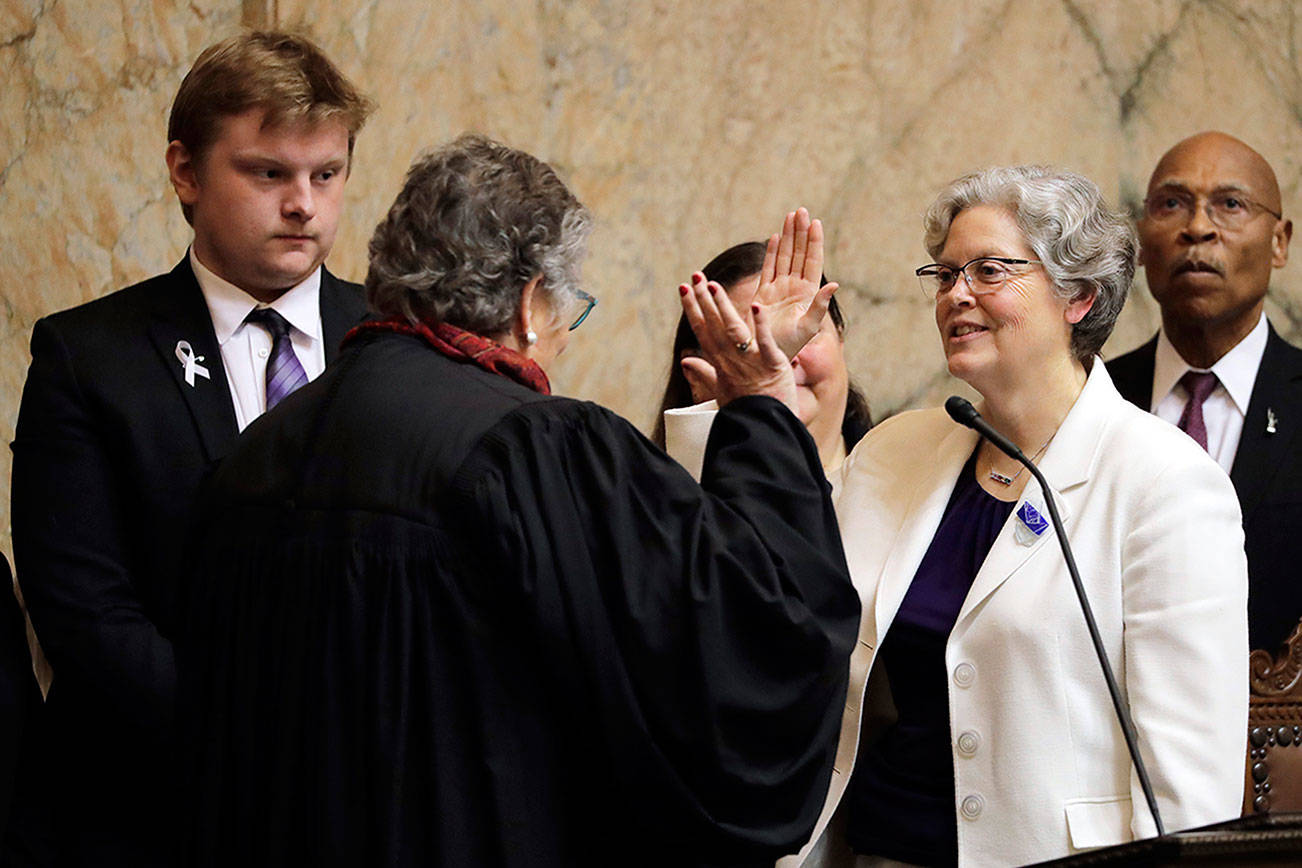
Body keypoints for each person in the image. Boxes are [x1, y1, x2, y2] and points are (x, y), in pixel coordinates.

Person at [177, 134, 860, 868]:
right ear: (532, 303)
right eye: (573, 307)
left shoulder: (260, 448)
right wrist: (759, 407)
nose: (564, 335)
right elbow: (750, 635)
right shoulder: (538, 448)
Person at [673, 167, 1247, 866]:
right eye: (944, 275)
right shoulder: (896, 451)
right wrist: (749, 400)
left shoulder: (1166, 484)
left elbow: (1188, 784)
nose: (956, 295)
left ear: (1079, 297)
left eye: (989, 270)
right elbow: (753, 590)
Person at [9, 31, 372, 866]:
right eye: (268, 173)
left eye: (327, 174)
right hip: (154, 807)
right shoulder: (89, 357)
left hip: (360, 804)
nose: (304, 206)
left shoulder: (395, 343)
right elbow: (84, 609)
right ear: (185, 172)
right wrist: (248, 744)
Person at [1108, 131, 1302, 651]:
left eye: (1229, 205)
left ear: (1279, 240)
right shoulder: (1091, 399)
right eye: (1171, 204)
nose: (1197, 228)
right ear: (1141, 242)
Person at [652, 240, 872, 474]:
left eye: (807, 333)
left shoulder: (901, 478)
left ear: (840, 336)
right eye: (749, 342)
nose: (780, 359)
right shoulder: (659, 502)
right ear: (695, 374)